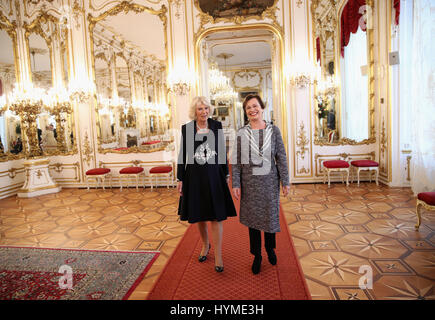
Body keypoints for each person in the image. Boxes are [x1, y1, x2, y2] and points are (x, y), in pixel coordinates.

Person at [231, 94, 290, 275]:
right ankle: (257, 255)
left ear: (262, 108)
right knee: (253, 221)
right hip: (250, 183)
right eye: (248, 107)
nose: (252, 110)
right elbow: (236, 160)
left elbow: (281, 157)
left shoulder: (274, 131)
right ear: (246, 111)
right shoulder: (242, 132)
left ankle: (270, 248)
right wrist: (236, 183)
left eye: (255, 106)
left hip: (270, 182)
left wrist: (285, 181)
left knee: (270, 217)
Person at [177, 96, 237, 273]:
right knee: (200, 215)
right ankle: (205, 245)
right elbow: (183, 155)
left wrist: (226, 172)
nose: (204, 112)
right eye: (200, 109)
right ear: (194, 112)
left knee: (215, 216)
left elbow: (221, 151)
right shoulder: (187, 129)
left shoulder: (216, 126)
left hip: (214, 175)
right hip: (194, 177)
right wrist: (180, 179)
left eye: (206, 108)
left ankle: (218, 254)